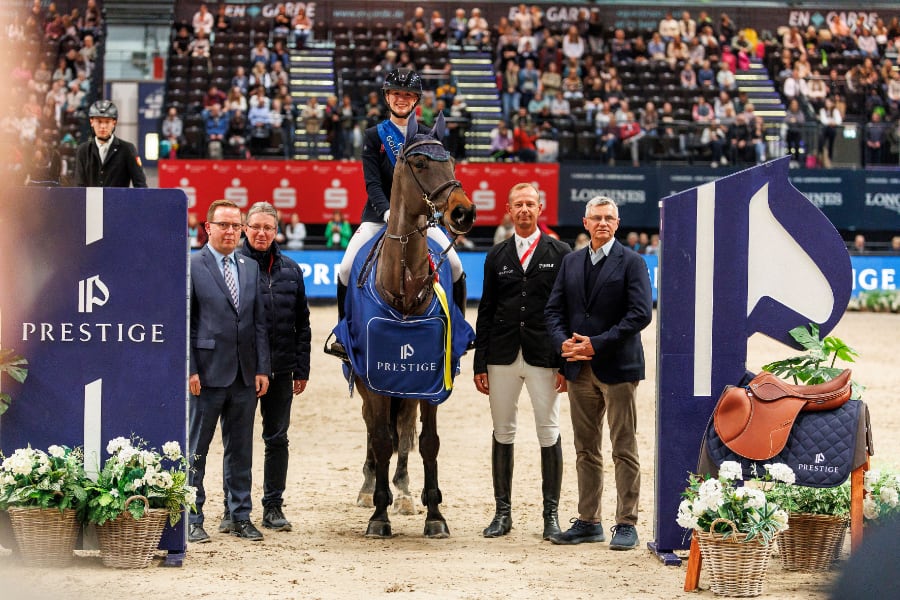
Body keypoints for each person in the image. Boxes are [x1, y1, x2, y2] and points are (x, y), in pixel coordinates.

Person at [544, 196, 652, 550]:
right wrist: (565, 344)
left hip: (617, 367)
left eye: (609, 218)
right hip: (579, 369)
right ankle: (589, 521)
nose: (603, 223)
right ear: (585, 222)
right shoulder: (571, 262)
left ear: (617, 224)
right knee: (585, 449)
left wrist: (596, 344)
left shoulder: (633, 262)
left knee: (624, 446)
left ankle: (626, 522)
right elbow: (553, 310)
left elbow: (640, 315)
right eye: (596, 218)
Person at [474, 183, 572, 540]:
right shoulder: (496, 255)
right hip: (501, 355)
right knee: (503, 431)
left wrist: (566, 362)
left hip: (544, 355)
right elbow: (485, 309)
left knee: (549, 431)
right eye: (519, 205)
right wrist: (479, 362)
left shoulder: (560, 251)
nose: (525, 210)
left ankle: (551, 516)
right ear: (509, 210)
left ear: (540, 208)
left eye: (531, 204)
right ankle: (503, 513)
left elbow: (567, 310)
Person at [336, 68, 465, 320]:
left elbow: (437, 178)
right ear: (387, 97)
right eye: (396, 93)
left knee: (456, 266)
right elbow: (372, 183)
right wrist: (387, 212)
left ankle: (458, 326)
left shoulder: (428, 135)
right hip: (378, 216)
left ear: (416, 99)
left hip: (421, 219)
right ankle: (344, 330)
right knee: (346, 267)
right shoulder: (374, 136)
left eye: (408, 94)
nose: (401, 98)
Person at [188, 200, 271, 544]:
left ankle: (238, 515)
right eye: (223, 225)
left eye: (236, 226)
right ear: (208, 228)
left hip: (244, 375)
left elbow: (259, 323)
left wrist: (262, 367)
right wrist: (190, 369)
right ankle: (191, 517)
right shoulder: (192, 265)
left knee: (241, 449)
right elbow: (186, 323)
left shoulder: (249, 266)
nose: (230, 231)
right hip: (206, 374)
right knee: (197, 450)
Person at [234, 202, 311, 533]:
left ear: (276, 231)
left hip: (281, 369)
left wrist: (302, 368)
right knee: (238, 440)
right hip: (241, 371)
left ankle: (273, 506)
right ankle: (234, 509)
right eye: (256, 227)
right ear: (245, 229)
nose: (262, 233)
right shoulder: (232, 267)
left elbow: (302, 324)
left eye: (268, 227)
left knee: (277, 438)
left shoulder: (292, 271)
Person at [74, 100, 147, 188]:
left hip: (118, 201)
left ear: (114, 123)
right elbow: (79, 185)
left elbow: (140, 185)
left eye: (107, 122)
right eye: (99, 121)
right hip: (91, 201)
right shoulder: (83, 150)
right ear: (91, 122)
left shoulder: (127, 149)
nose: (103, 126)